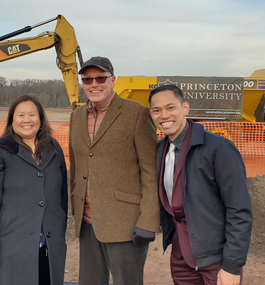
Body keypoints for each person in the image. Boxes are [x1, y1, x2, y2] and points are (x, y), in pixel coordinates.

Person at [148, 84, 253, 285]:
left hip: (215, 257)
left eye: (170, 108)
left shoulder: (218, 148)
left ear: (185, 108)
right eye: (156, 110)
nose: (164, 115)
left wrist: (232, 265)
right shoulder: (160, 149)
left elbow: (239, 209)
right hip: (181, 255)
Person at [69, 56, 160, 284]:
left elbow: (151, 172)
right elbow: (76, 166)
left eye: (101, 78)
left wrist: (148, 221)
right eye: (87, 80)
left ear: (113, 80)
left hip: (125, 225)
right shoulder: (76, 117)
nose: (94, 84)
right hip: (88, 221)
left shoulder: (137, 114)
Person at [0, 95, 68, 285]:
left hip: (49, 244)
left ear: (40, 119)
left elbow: (62, 195)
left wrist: (59, 228)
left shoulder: (53, 148)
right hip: (13, 244)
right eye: (20, 115)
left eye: (32, 115)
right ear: (12, 120)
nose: (27, 120)